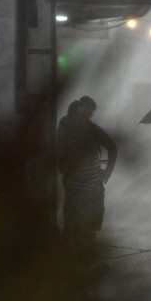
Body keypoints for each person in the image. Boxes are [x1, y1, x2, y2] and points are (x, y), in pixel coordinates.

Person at [57, 96, 117, 256]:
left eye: (91, 113)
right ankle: (75, 260)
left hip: (93, 189)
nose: (90, 115)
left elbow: (112, 146)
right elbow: (61, 152)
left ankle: (86, 259)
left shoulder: (91, 128)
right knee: (73, 226)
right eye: (88, 111)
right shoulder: (66, 125)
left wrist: (109, 170)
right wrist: (68, 171)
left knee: (89, 228)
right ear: (80, 109)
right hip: (75, 188)